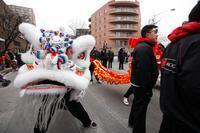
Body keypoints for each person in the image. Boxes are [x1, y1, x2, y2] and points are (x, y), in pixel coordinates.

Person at [34, 46, 97, 133]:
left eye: (82, 53)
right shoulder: (55, 58)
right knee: (46, 110)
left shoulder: (82, 64)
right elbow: (43, 72)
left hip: (68, 91)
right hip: (52, 90)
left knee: (76, 107)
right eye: (73, 51)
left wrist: (77, 83)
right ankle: (38, 131)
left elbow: (85, 78)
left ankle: (87, 122)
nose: (79, 54)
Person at [159, 1, 200, 133]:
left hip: (170, 117)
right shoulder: (196, 43)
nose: (156, 34)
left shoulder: (172, 44)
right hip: (189, 123)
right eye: (154, 31)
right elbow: (195, 89)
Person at [126, 24, 159, 133]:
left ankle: (132, 121)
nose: (157, 34)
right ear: (147, 34)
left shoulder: (143, 46)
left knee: (137, 104)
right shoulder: (144, 48)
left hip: (138, 83)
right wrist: (147, 89)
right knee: (141, 110)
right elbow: (144, 71)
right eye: (155, 32)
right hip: (141, 85)